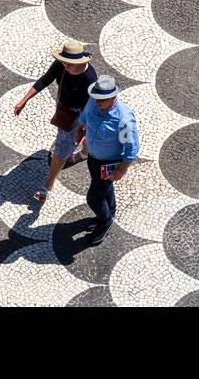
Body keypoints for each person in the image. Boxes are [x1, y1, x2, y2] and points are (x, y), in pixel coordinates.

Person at [12, 39, 97, 202]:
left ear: (80, 62)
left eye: (69, 63)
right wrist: (24, 100)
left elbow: (91, 106)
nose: (65, 65)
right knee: (79, 139)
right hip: (64, 110)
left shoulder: (89, 78)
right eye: (64, 61)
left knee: (61, 150)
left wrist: (82, 126)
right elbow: (44, 80)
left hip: (79, 115)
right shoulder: (61, 64)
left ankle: (48, 185)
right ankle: (85, 152)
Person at [73, 75, 139, 246]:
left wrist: (121, 170)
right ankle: (110, 211)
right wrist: (80, 129)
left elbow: (131, 148)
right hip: (93, 157)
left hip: (109, 163)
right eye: (95, 98)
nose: (96, 103)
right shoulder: (94, 101)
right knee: (103, 187)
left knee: (93, 198)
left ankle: (105, 221)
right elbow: (84, 116)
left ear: (113, 97)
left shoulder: (123, 119)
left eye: (102, 100)